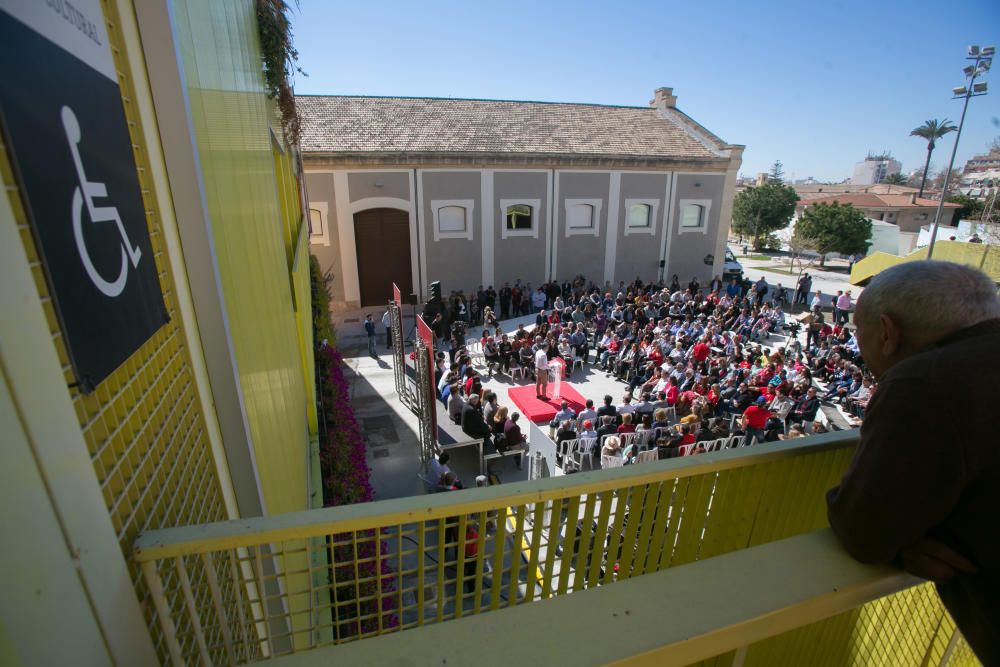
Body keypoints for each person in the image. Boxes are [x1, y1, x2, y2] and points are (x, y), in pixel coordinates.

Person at [826, 261, 1000, 665]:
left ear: (887, 332)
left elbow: (864, 532)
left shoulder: (924, 382)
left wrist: (904, 537)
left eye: (858, 331)